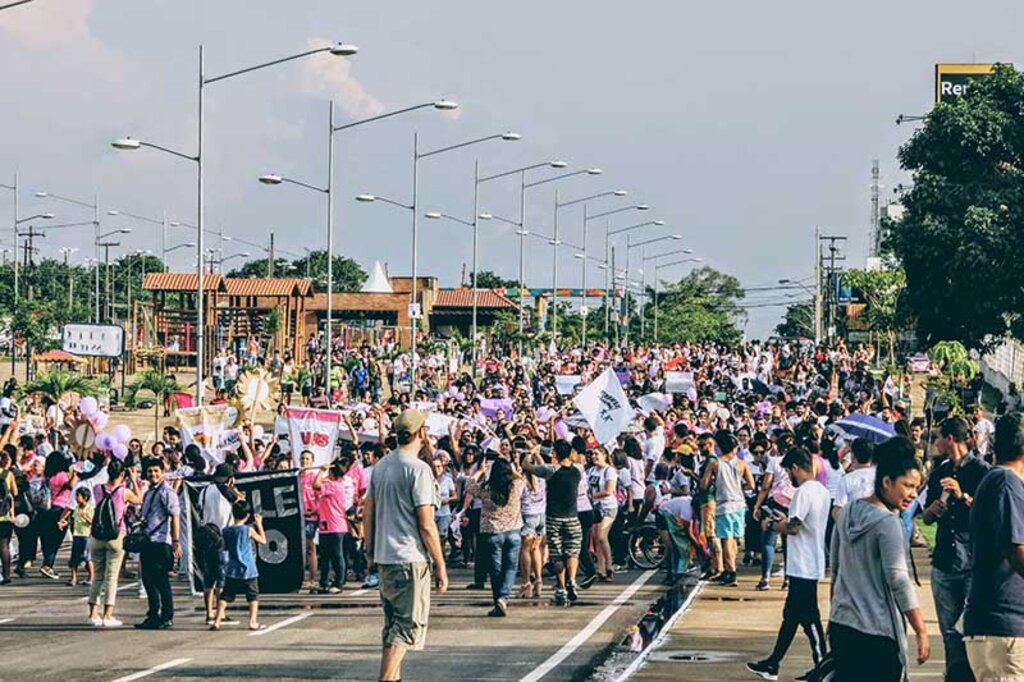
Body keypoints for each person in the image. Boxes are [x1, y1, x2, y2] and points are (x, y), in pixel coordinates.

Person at [829, 436, 930, 681]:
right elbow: (898, 580)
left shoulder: (848, 512)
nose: (912, 494)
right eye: (907, 486)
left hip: (842, 624)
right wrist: (921, 629)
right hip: (876, 631)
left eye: (916, 488)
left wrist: (833, 613)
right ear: (886, 482)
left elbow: (836, 567)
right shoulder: (888, 524)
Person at [364, 409, 448, 682]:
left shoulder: (382, 466)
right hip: (410, 557)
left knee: (392, 627)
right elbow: (426, 523)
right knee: (407, 628)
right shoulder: (418, 470)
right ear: (421, 433)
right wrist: (440, 564)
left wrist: (369, 550)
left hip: (385, 555)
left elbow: (369, 511)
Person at [747, 447, 830, 680]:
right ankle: (773, 663)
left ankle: (822, 668)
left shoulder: (803, 492)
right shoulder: (821, 491)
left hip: (803, 563)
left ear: (795, 468)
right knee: (792, 615)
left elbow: (794, 527)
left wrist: (772, 525)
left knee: (809, 616)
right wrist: (784, 521)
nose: (789, 478)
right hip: (809, 561)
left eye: (788, 472)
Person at [922, 417, 990, 682]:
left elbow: (988, 516)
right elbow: (925, 518)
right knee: (949, 631)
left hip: (971, 560)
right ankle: (954, 675)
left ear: (950, 439)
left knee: (972, 629)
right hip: (944, 560)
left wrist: (962, 496)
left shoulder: (983, 471)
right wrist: (932, 510)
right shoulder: (939, 472)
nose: (936, 442)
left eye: (939, 437)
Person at [964, 412, 1024, 680]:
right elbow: (1017, 550)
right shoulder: (1005, 482)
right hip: (1003, 630)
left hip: (1002, 629)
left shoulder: (1001, 482)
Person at [523, 440, 584, 607]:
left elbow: (527, 466)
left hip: (554, 517)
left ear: (556, 453)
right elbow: (575, 458)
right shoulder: (578, 469)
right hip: (572, 516)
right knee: (572, 551)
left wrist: (532, 452)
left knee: (557, 553)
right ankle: (572, 579)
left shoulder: (551, 470)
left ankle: (561, 587)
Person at [87, 459, 142, 627]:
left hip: (97, 536)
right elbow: (139, 500)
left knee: (97, 576)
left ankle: (92, 614)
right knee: (111, 577)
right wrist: (133, 479)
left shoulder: (98, 489)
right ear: (122, 474)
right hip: (116, 536)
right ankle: (107, 615)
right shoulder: (123, 492)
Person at [468, 457, 524, 617]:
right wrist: (513, 470)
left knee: (496, 570)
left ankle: (498, 600)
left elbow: (468, 486)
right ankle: (504, 597)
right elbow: (522, 479)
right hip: (513, 531)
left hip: (493, 532)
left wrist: (480, 471)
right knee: (511, 568)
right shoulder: (516, 486)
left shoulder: (486, 489)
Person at [135, 457, 182, 630]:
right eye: (150, 471)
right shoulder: (149, 492)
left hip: (162, 542)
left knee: (162, 581)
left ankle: (167, 616)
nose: (153, 474)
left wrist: (176, 541)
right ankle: (153, 614)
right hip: (148, 541)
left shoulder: (167, 492)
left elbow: (175, 516)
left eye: (156, 471)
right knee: (148, 580)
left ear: (162, 472)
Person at [708, 429, 755, 587]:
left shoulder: (715, 464)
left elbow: (703, 484)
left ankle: (731, 571)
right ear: (734, 448)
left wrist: (716, 484)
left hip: (724, 504)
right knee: (734, 539)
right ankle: (729, 569)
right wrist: (740, 487)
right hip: (740, 503)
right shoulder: (742, 464)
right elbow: (751, 485)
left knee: (726, 539)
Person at [211, 500, 267, 631]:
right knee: (253, 596)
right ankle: (252, 622)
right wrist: (259, 524)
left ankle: (217, 620)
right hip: (249, 569)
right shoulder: (248, 530)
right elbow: (263, 540)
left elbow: (224, 547)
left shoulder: (226, 531)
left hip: (231, 568)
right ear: (247, 515)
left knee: (226, 596)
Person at [199, 463, 242, 624]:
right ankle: (220, 613)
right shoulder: (225, 489)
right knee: (221, 576)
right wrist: (233, 487)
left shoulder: (204, 490)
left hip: (206, 535)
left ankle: (209, 612)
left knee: (209, 577)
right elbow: (239, 501)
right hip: (222, 536)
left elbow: (200, 509)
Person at [314, 455, 354, 594]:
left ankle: (339, 583)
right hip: (325, 525)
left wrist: (321, 471)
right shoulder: (332, 484)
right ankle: (323, 582)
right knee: (324, 557)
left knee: (337, 556)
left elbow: (316, 485)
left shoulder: (335, 486)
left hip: (336, 526)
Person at [587, 447, 619, 581]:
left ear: (604, 455)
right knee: (596, 539)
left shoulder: (609, 471)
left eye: (596, 454)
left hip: (608, 506)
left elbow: (609, 491)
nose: (593, 456)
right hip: (595, 507)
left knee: (601, 536)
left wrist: (592, 495)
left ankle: (609, 565)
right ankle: (600, 569)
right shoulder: (591, 471)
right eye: (592, 454)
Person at [68, 487, 94, 587]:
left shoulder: (90, 509)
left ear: (85, 497)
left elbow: (92, 522)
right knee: (74, 557)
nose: (76, 498)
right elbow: (73, 520)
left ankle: (91, 577)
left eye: (78, 496)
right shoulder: (76, 508)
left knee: (87, 557)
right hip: (76, 534)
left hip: (86, 535)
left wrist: (84, 516)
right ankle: (73, 578)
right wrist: (66, 522)